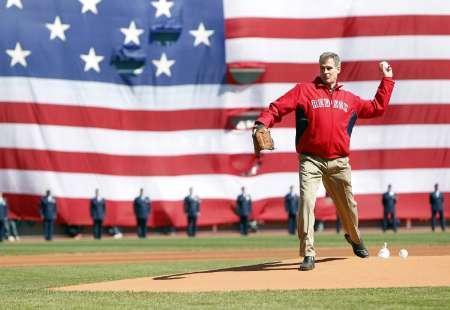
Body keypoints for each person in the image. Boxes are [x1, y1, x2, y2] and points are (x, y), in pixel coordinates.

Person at [254, 52, 395, 271]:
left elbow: (377, 108)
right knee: (307, 202)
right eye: (322, 67)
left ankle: (354, 238)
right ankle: (308, 253)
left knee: (349, 207)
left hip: (339, 162)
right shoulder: (304, 91)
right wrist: (263, 122)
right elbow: (278, 108)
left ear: (338, 69)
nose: (325, 71)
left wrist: (386, 80)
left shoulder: (350, 99)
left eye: (329, 68)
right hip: (311, 159)